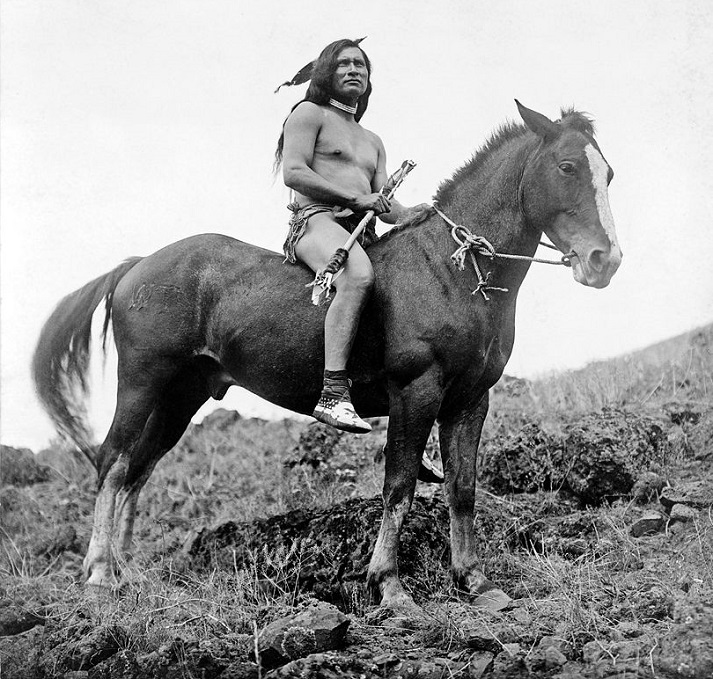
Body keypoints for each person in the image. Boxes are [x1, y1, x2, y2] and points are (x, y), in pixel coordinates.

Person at [274, 38, 432, 434]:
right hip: (316, 222)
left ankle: (403, 427)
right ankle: (331, 395)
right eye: (344, 64)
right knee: (358, 275)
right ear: (327, 72)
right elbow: (294, 172)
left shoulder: (373, 141)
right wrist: (355, 198)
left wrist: (413, 212)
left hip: (362, 232)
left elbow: (386, 206)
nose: (353, 70)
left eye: (360, 65)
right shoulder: (309, 114)